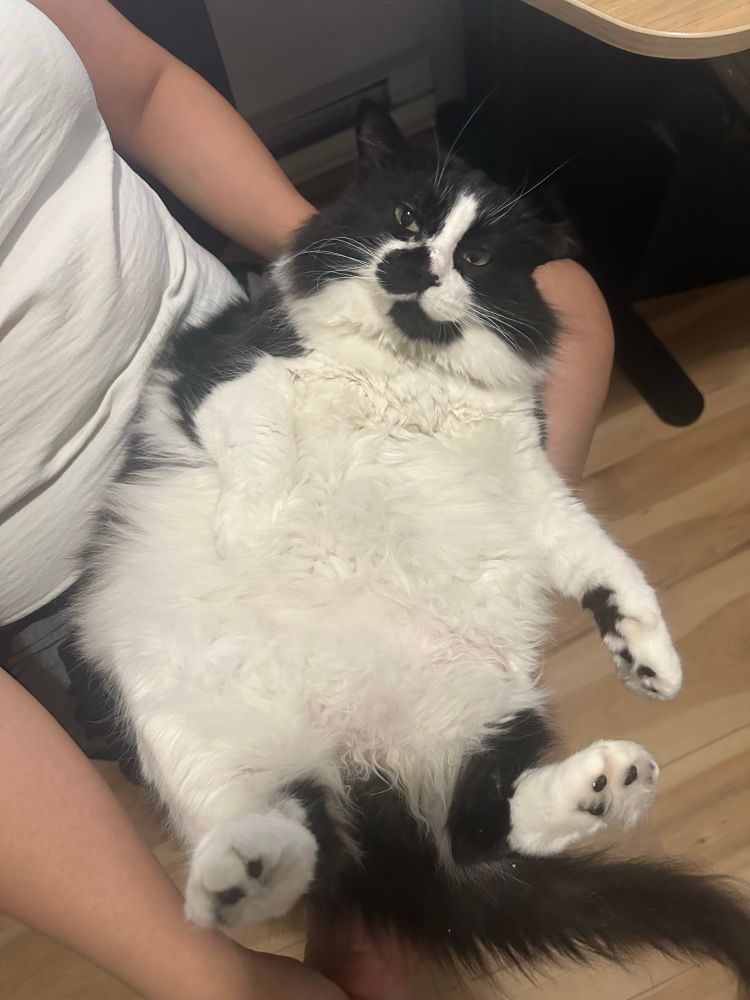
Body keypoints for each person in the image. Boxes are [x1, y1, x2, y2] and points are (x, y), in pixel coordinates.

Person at [0, 1, 615, 998]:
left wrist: (342, 258)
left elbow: (144, 89)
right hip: (100, 563)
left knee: (569, 310)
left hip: (254, 354)